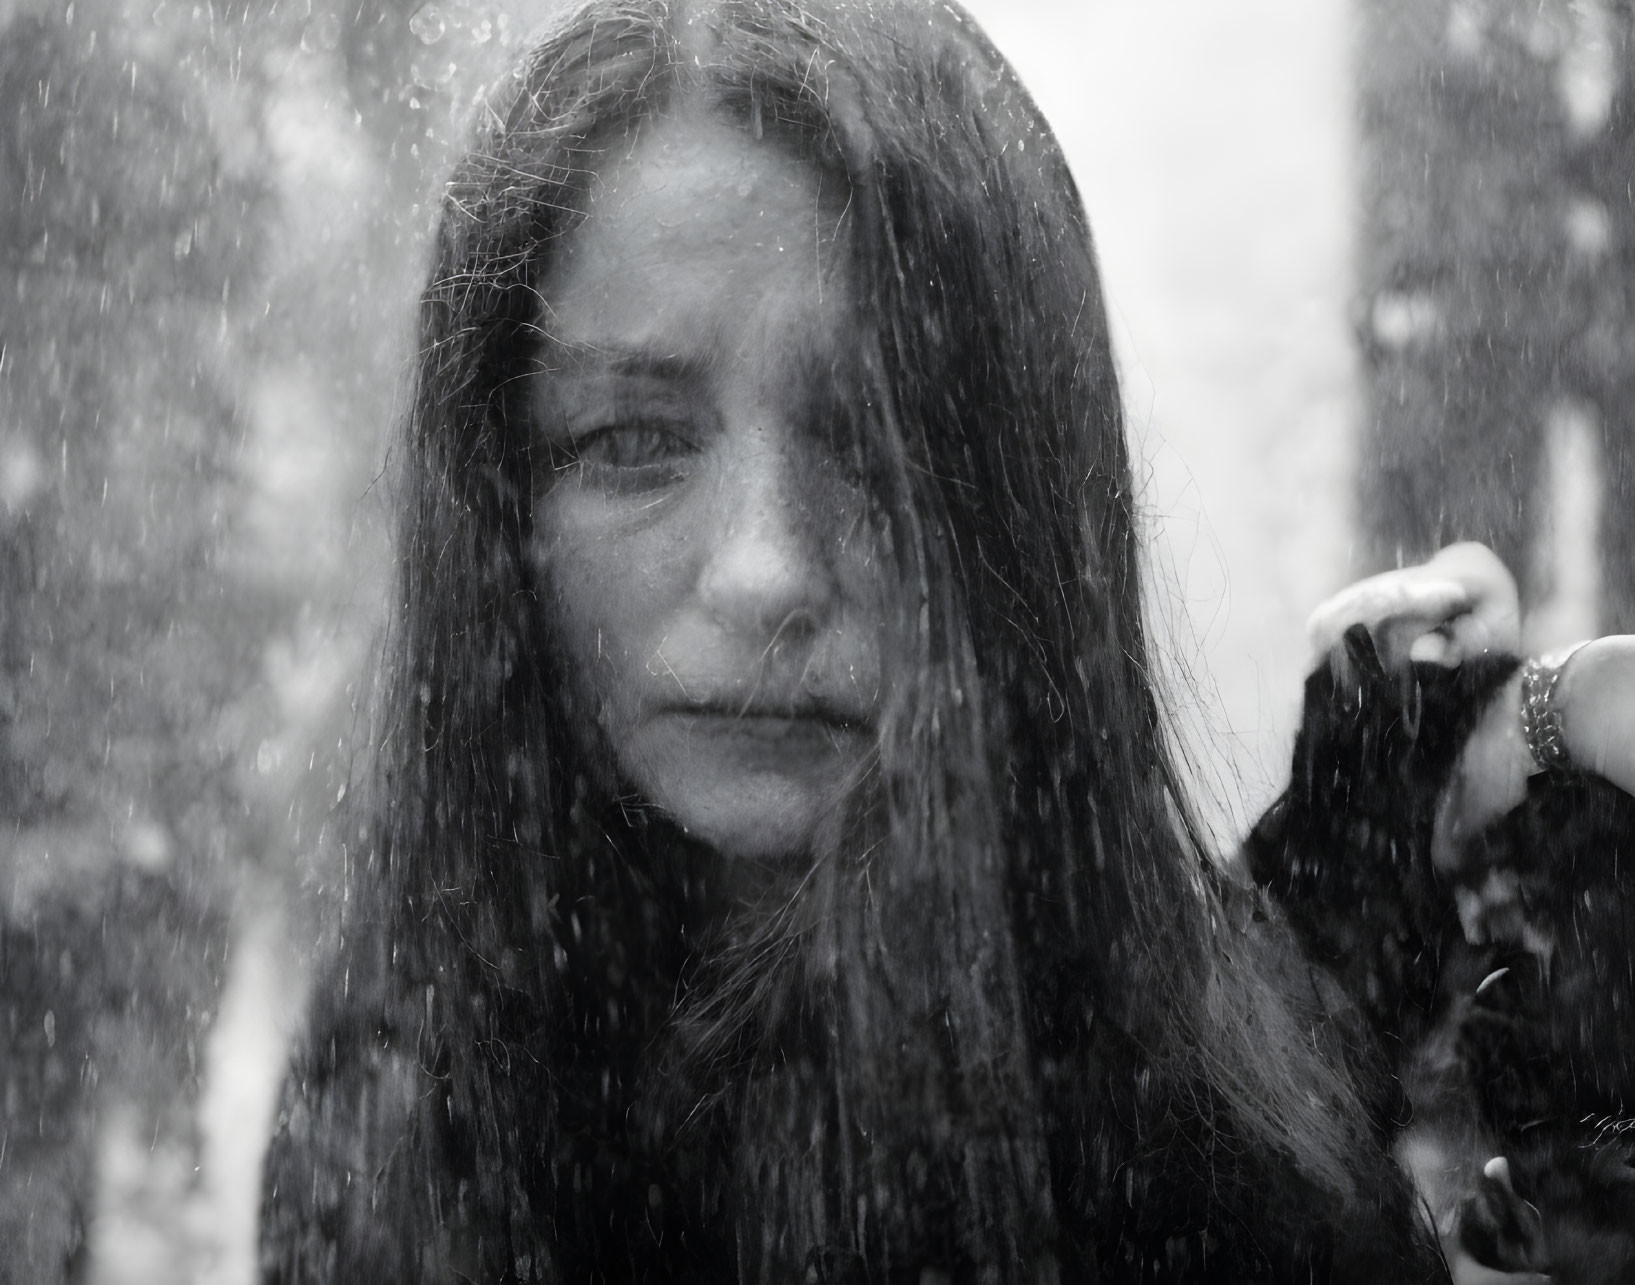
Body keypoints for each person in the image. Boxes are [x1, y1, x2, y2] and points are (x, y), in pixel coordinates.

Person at [258, 1, 1452, 1280]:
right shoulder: (392, 1111)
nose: (765, 570)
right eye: (633, 440)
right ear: (503, 514)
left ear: (1020, 500)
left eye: (873, 442)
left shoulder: (1228, 1184)